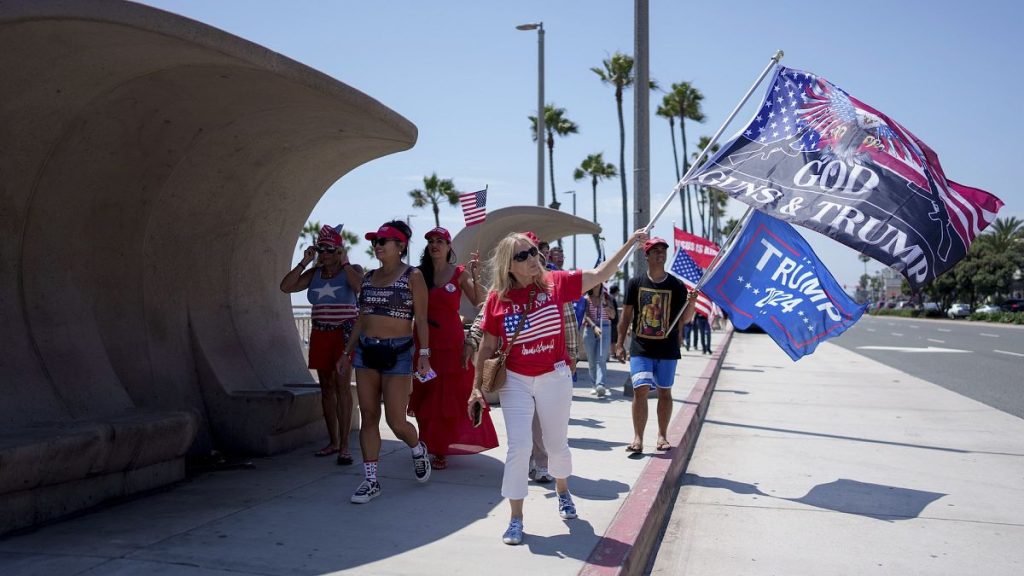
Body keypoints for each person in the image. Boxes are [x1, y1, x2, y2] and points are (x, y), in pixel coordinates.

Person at [469, 228, 648, 545]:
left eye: (534, 252)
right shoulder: (499, 299)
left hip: (554, 376)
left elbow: (601, 273)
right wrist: (476, 388)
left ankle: (563, 490)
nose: (533, 258)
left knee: (555, 445)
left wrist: (631, 244)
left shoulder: (556, 284)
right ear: (509, 265)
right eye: (523, 255)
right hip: (516, 380)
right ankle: (516, 518)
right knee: (519, 448)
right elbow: (486, 347)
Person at [338, 220, 433, 504]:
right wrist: (347, 352)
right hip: (366, 352)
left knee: (396, 420)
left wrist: (424, 356)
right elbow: (361, 319)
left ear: (400, 246)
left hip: (399, 353)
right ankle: (370, 480)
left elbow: (422, 319)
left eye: (383, 241)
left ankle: (417, 449)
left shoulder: (413, 276)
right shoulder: (367, 278)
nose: (377, 246)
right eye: (375, 242)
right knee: (368, 416)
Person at [410, 227, 498, 470]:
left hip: (452, 346)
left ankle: (441, 448)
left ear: (449, 246)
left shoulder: (459, 274)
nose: (434, 245)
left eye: (440, 241)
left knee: (448, 398)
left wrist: (477, 276)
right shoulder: (418, 274)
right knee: (424, 393)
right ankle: (426, 442)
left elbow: (481, 303)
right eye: (430, 241)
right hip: (424, 345)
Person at [279, 224, 362, 465]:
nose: (324, 254)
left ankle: (345, 445)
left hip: (343, 335)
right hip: (321, 333)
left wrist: (345, 263)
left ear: (339, 251)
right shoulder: (314, 274)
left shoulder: (351, 270)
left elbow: (360, 288)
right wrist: (305, 261)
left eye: (329, 249)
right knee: (326, 387)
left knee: (343, 386)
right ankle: (333, 441)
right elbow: (286, 287)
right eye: (321, 249)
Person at [614, 237, 697, 454]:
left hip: (667, 349)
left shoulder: (676, 285)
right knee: (640, 390)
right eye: (656, 250)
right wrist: (620, 343)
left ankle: (662, 435)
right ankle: (638, 438)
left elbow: (685, 319)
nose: (661, 253)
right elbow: (626, 316)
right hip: (641, 348)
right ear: (647, 255)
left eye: (663, 250)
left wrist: (693, 302)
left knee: (664, 392)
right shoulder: (635, 283)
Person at [581, 284, 613, 398]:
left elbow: (613, 315)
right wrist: (594, 327)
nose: (596, 286)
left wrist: (605, 304)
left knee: (601, 358)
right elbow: (586, 315)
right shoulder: (586, 299)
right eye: (594, 284)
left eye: (598, 284)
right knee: (592, 360)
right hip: (590, 329)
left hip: (604, 328)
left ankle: (601, 385)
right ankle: (594, 384)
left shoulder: (607, 298)